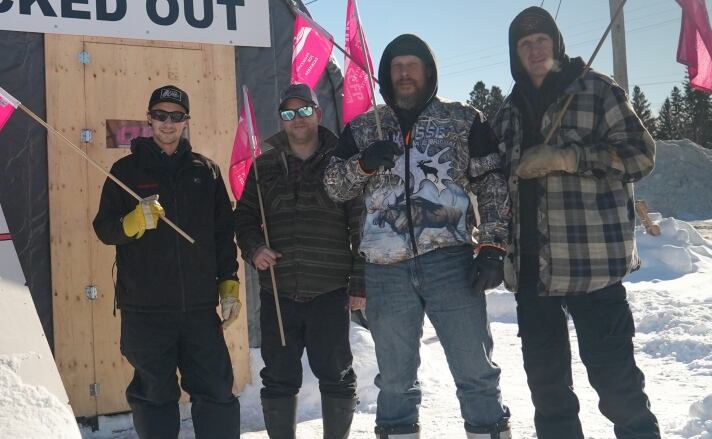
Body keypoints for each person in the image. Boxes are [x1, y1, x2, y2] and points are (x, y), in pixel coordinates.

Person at [324, 34, 512, 439]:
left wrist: (494, 245)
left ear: (428, 71)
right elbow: (335, 187)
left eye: (412, 65)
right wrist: (364, 164)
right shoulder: (363, 128)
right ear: (386, 76)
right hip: (385, 269)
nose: (404, 73)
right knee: (394, 381)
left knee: (474, 369)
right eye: (396, 67)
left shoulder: (463, 120)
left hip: (451, 262)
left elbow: (492, 182)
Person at [492, 7, 661, 439]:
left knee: (616, 385)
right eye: (524, 43)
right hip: (531, 270)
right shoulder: (508, 111)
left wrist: (571, 158)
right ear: (515, 52)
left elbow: (641, 156)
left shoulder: (596, 90)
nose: (534, 49)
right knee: (548, 393)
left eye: (542, 40)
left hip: (592, 267)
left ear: (556, 44)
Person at [93, 85, 241, 439]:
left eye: (176, 116)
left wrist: (229, 283)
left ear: (186, 121)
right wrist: (132, 222)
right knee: (154, 396)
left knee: (217, 392)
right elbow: (104, 228)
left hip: (199, 309)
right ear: (149, 119)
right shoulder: (125, 170)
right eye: (160, 115)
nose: (168, 123)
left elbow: (223, 233)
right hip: (145, 311)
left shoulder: (205, 172)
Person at [234, 83, 361, 439]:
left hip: (330, 289)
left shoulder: (341, 162)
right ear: (282, 120)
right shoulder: (265, 166)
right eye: (288, 114)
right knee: (277, 377)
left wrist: (361, 282)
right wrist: (255, 247)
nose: (297, 119)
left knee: (336, 373)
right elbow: (243, 217)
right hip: (280, 292)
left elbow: (361, 223)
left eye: (303, 110)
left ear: (318, 113)